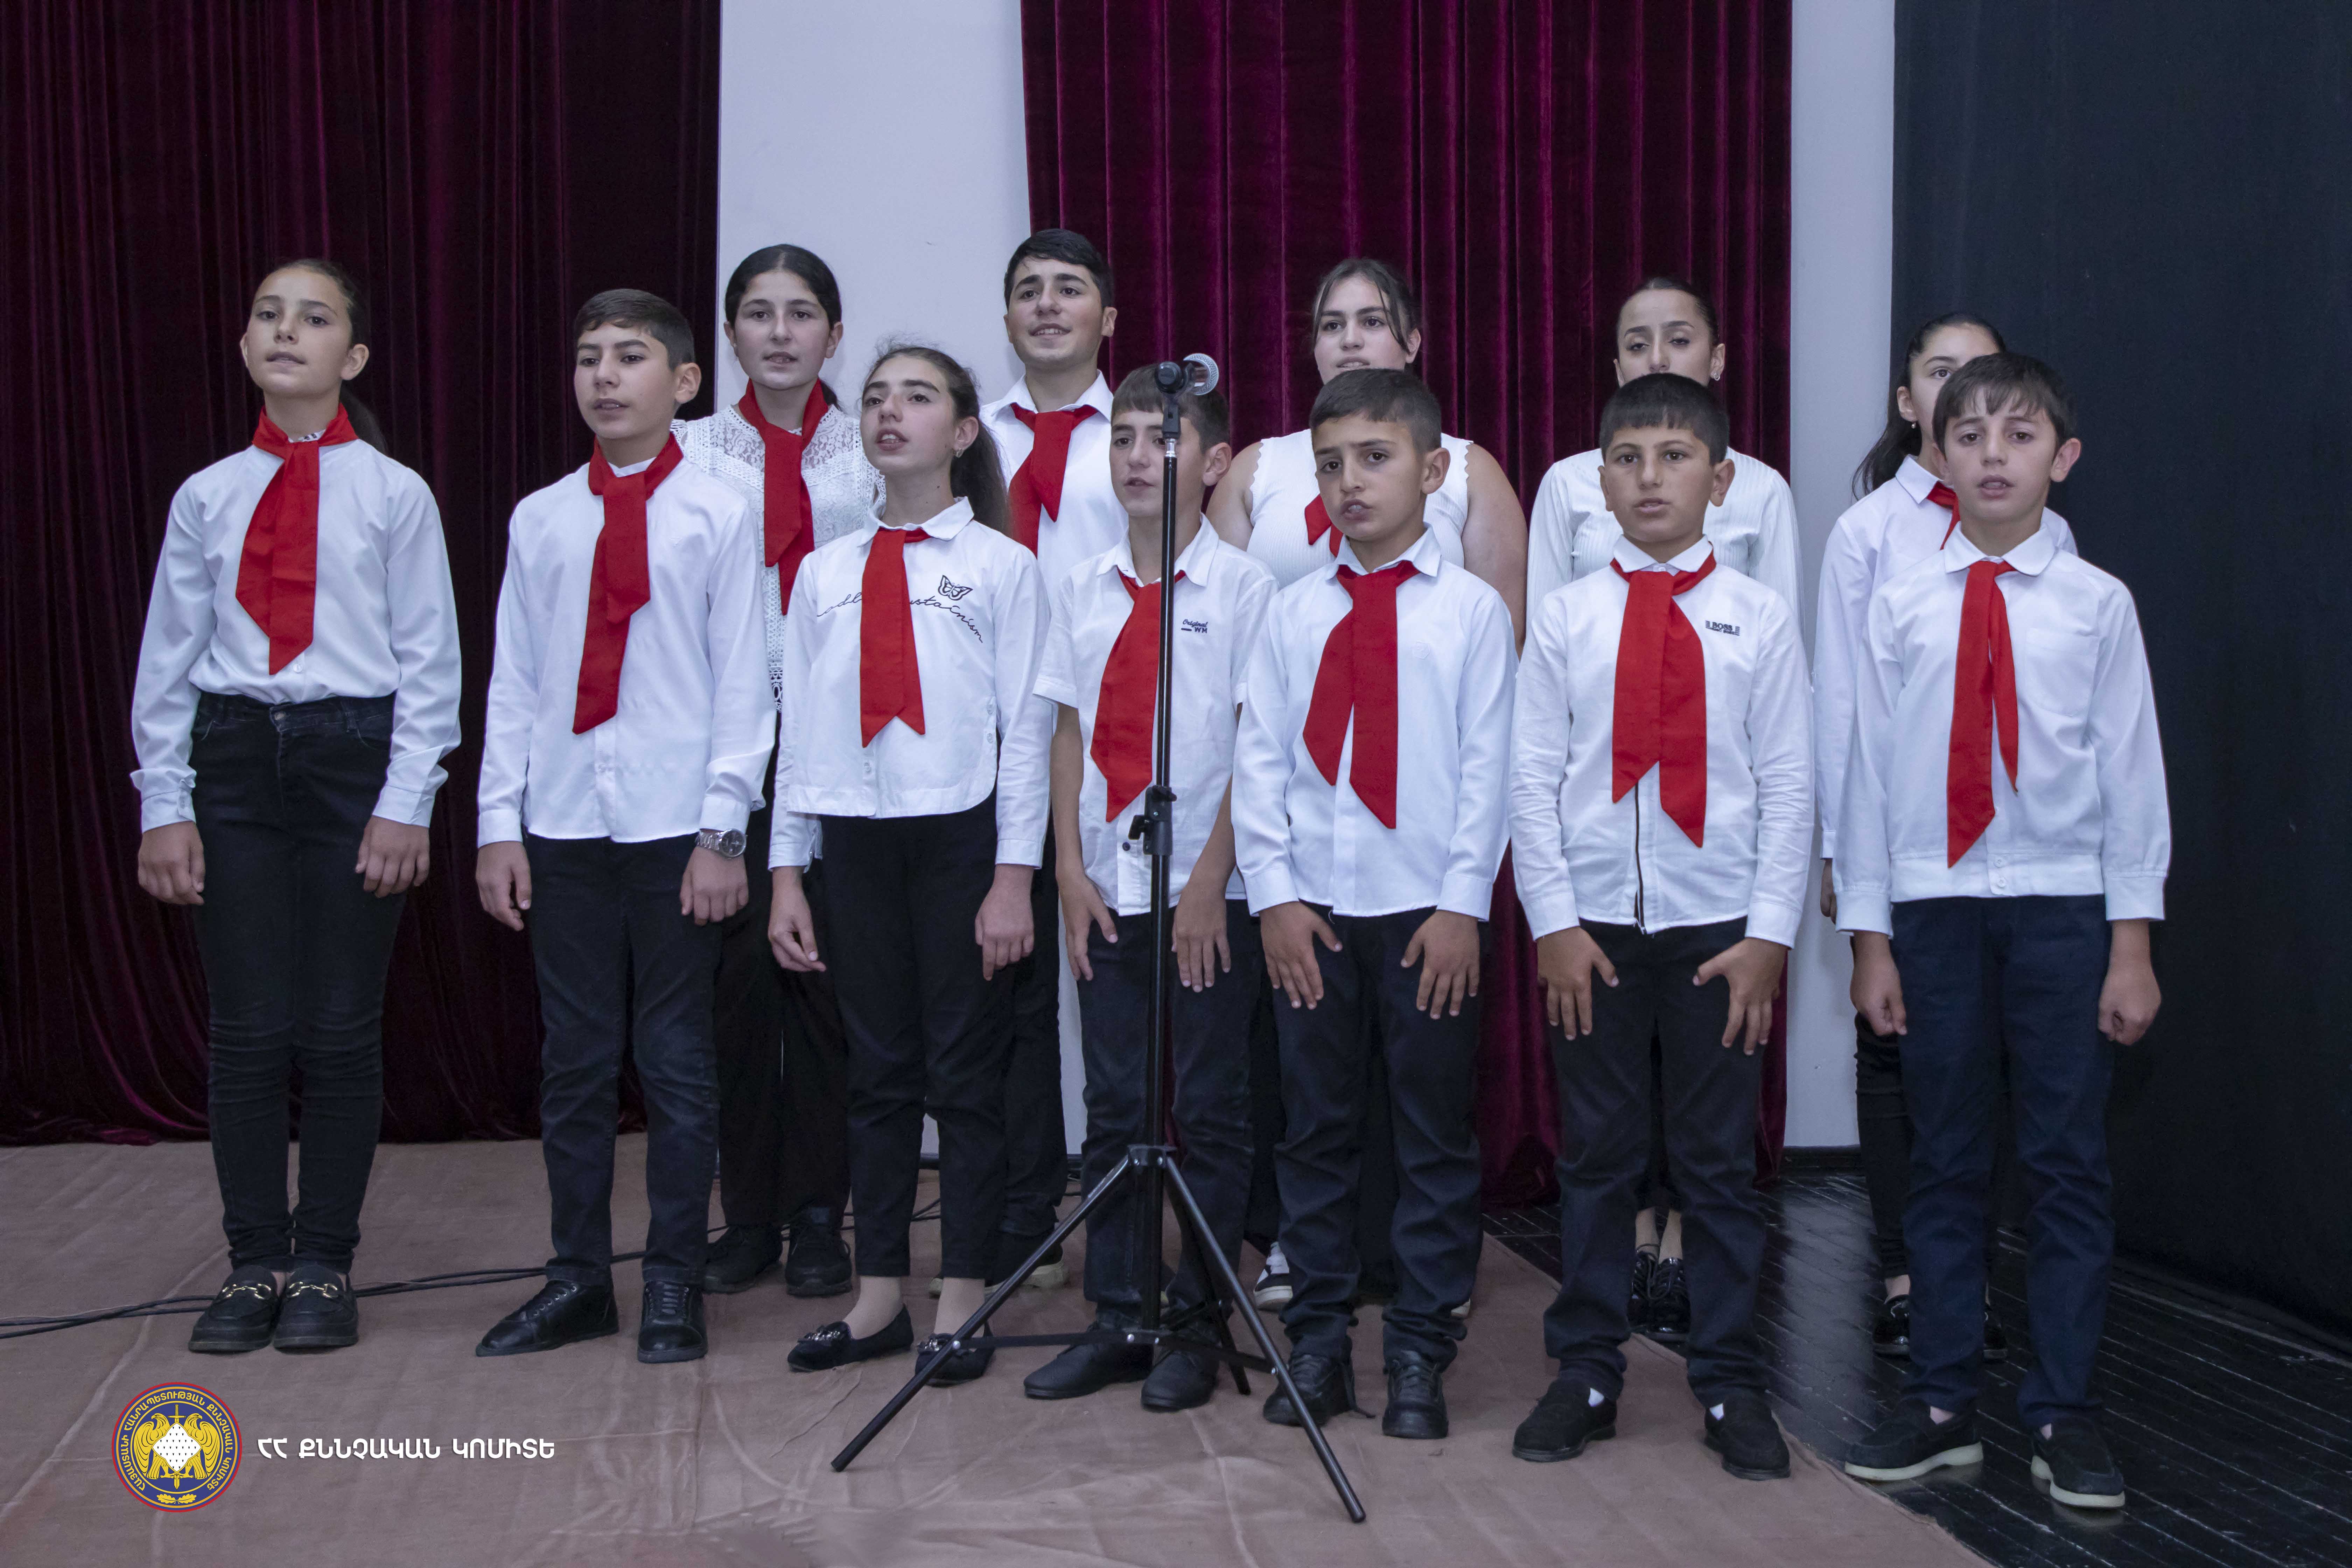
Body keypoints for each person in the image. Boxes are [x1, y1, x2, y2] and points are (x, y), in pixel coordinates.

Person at [1838, 354, 2166, 1510]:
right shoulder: (1900, 603)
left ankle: (2065, 1412)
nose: (1991, 455)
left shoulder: (2099, 605)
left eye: (2018, 436)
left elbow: (2132, 777)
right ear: (1936, 455)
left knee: (2067, 1162)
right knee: (1946, 1158)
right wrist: (1869, 936)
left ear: (2061, 460)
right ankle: (1939, 1405)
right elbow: (1868, 778)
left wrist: (2133, 943)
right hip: (1934, 909)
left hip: (2065, 910)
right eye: (1967, 435)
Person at [133, 259, 461, 1356]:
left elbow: (430, 662)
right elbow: (168, 662)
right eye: (269, 315)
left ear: (351, 356)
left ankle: (323, 1260)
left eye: (314, 319)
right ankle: (252, 1263)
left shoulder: (395, 494)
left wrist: (407, 800)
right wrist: (165, 802)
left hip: (351, 758)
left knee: (338, 1025)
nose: (287, 331)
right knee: (246, 1029)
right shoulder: (207, 495)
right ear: (244, 346)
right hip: (234, 758)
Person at [1505, 373, 1809, 1481]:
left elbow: (1790, 783)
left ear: (1720, 483)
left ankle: (1729, 1379)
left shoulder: (1758, 617)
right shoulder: (1568, 617)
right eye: (1628, 460)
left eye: (1675, 458)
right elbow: (1531, 777)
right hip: (1592, 931)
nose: (1650, 478)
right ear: (1600, 483)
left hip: (1721, 931)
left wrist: (1770, 935)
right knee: (1597, 1154)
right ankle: (1587, 1369)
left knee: (1717, 1163)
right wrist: (1552, 922)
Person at [1211, 257, 1528, 1312]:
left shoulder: (1469, 611)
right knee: (1314, 1118)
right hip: (1313, 902)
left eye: (1375, 459)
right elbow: (1260, 758)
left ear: (1433, 472)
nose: (1350, 482)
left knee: (1432, 1120)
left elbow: (1489, 762)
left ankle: (1427, 1327)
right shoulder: (1291, 613)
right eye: (1332, 465)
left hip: (1428, 900)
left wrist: (1464, 903)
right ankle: (1315, 1319)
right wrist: (1274, 896)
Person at [473, 290, 770, 1366]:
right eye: (588, 356)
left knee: (678, 1062)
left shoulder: (720, 511)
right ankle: (578, 1280)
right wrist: (497, 822)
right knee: (575, 1062)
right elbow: (515, 679)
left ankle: (675, 1279)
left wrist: (723, 831)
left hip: (675, 826)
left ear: (684, 382)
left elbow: (744, 681)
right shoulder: (543, 517)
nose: (604, 375)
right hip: (564, 821)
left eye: (630, 356)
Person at [768, 344, 1052, 1388]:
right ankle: (879, 1293)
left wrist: (1013, 876)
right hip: (854, 840)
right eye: (877, 398)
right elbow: (800, 729)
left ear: (964, 432)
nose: (891, 413)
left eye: (919, 398)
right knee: (876, 1073)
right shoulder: (825, 572)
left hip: (960, 840)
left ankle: (964, 1295)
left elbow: (1028, 733)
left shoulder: (1003, 567)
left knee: (966, 1077)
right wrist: (787, 872)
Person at [1816, 311, 2078, 1358]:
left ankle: (1970, 1274)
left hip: (2019, 855)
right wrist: (1842, 852)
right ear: (1909, 401)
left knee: (1994, 1068)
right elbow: (1845, 700)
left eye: (1984, 375)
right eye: (1942, 373)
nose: (1965, 394)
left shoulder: (2048, 535)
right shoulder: (1870, 532)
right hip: (1902, 839)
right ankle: (1905, 1273)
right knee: (1895, 1052)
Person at [1022, 366, 1277, 1412]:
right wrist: (1067, 870)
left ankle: (1197, 1320)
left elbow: (1257, 745)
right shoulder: (1079, 586)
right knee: (1117, 1104)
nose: (1137, 457)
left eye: (1160, 440)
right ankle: (1120, 1313)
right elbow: (1068, 732)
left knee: (1209, 1106)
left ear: (1213, 464)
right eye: (1122, 437)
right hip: (1105, 883)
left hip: (1207, 890)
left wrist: (1211, 879)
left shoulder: (1247, 591)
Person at [673, 244, 876, 1300]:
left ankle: (821, 1218)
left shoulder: (873, 446)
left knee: (829, 990)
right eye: (759, 313)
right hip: (726, 748)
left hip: (844, 744)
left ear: (834, 334)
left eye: (803, 314)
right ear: (731, 334)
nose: (781, 332)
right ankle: (747, 1214)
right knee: (737, 996)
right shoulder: (689, 452)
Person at [975, 228, 1130, 1284]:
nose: (1045, 305)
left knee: (1112, 984)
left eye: (1068, 289)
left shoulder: (1144, 435)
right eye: (1027, 290)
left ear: (1105, 320)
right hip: (988, 733)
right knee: (1009, 989)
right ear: (1006, 317)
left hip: (1101, 734)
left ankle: (1129, 1211)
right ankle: (1024, 1210)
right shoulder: (971, 435)